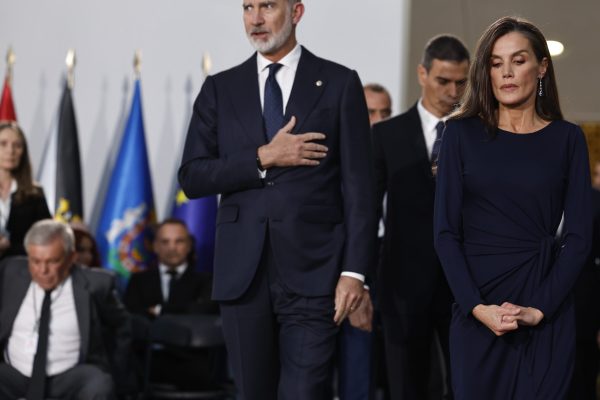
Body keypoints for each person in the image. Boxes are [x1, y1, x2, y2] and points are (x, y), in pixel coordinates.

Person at [178, 0, 376, 398]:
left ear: (296, 12)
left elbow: (360, 188)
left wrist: (354, 272)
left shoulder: (338, 83)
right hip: (243, 275)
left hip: (315, 271)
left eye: (267, 5)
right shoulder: (220, 88)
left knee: (304, 392)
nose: (255, 18)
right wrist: (262, 157)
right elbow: (193, 176)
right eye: (247, 7)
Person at [433, 17, 592, 399]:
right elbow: (445, 233)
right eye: (495, 63)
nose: (506, 72)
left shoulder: (568, 139)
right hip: (477, 309)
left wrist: (539, 309)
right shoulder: (459, 134)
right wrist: (476, 307)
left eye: (518, 61)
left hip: (545, 307)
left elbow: (579, 237)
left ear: (542, 67)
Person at [372, 35, 469, 400]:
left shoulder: (482, 135)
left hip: (466, 285)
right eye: (443, 81)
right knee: (405, 387)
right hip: (402, 284)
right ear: (422, 74)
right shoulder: (387, 135)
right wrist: (358, 277)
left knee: (468, 385)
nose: (452, 92)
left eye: (461, 82)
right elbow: (366, 210)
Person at [0, 219, 131, 400]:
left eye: (52, 261)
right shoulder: (10, 271)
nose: (43, 270)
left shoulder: (96, 285)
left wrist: (116, 369)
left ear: (71, 258)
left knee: (99, 384)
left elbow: (122, 326)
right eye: (35, 261)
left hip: (68, 377)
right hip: (14, 373)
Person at [124, 218, 217, 318]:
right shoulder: (138, 281)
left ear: (189, 245)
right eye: (165, 242)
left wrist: (158, 310)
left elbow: (204, 311)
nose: (172, 248)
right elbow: (131, 315)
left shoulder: (208, 281)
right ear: (155, 246)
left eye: (179, 241)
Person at [0, 121, 51, 260]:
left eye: (17, 145)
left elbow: (45, 238)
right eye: (3, 144)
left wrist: (8, 246)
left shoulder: (35, 194)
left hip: (20, 266)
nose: (10, 151)